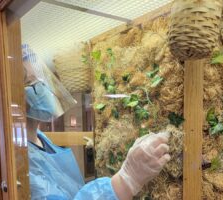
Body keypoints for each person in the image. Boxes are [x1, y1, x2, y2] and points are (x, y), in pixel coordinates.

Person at [23, 44, 171, 200]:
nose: (42, 89)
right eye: (31, 82)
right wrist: (127, 179)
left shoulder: (42, 142)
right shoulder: (18, 161)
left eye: (42, 81)